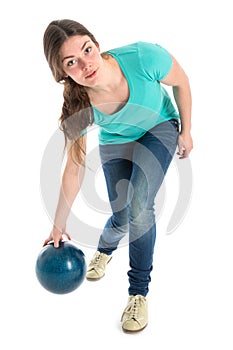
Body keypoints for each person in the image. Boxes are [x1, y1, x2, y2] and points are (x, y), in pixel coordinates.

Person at [43, 19, 193, 333]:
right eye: (72, 62)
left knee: (139, 207)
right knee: (121, 215)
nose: (86, 63)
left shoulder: (143, 57)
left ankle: (138, 292)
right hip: (116, 141)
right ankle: (105, 250)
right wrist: (59, 224)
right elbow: (74, 167)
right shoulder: (78, 106)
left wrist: (187, 131)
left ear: (95, 43)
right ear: (63, 74)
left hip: (159, 127)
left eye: (87, 49)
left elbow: (181, 81)